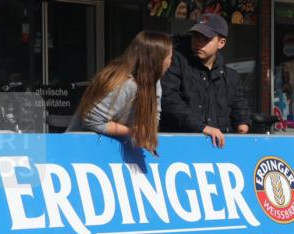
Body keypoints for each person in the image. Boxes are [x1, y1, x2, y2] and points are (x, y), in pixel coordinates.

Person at [69, 31, 172, 154]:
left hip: (111, 149)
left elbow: (155, 112)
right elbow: (92, 119)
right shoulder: (127, 84)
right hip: (82, 149)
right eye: (170, 57)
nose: (171, 62)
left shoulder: (154, 82)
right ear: (156, 60)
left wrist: (147, 134)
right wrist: (133, 132)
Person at [160, 13, 251, 148]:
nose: (198, 43)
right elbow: (169, 100)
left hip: (220, 149)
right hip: (181, 146)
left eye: (205, 39)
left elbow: (240, 109)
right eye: (195, 37)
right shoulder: (175, 63)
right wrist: (202, 127)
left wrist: (243, 125)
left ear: (221, 43)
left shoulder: (231, 76)